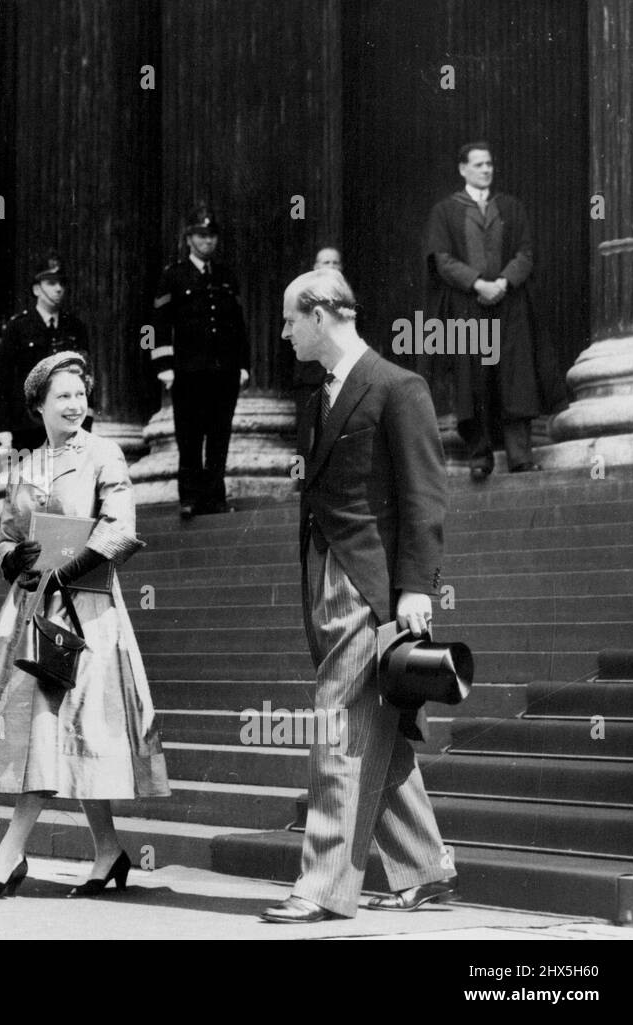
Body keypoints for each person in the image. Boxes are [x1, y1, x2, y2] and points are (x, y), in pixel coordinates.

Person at [0, 352, 168, 897]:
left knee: (56, 724)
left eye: (80, 394)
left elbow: (120, 525)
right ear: (39, 404)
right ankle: (108, 853)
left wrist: (69, 566)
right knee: (60, 727)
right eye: (62, 396)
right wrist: (12, 560)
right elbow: (8, 536)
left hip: (87, 611)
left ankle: (10, 855)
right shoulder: (27, 466)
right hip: (34, 610)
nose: (75, 404)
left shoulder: (105, 452)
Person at [262, 269, 455, 924]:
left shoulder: (399, 387)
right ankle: (426, 871)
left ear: (322, 315)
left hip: (368, 586)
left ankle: (322, 886)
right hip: (325, 579)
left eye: (291, 319)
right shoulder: (319, 396)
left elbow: (424, 498)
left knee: (337, 720)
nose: (285, 332)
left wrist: (415, 591)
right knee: (378, 724)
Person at [423, 142, 553, 481]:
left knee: (516, 380)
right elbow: (442, 260)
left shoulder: (510, 207)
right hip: (468, 306)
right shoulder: (445, 211)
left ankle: (520, 457)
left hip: (509, 305)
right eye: (479, 165)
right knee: (473, 382)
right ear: (463, 169)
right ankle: (479, 457)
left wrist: (504, 284)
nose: (486, 170)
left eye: (490, 164)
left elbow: (525, 253)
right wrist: (478, 284)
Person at [152, 205, 250, 518]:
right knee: (190, 435)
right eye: (201, 235)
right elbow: (160, 323)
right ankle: (190, 498)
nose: (208, 241)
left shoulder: (226, 276)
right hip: (188, 372)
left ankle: (215, 498)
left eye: (212, 236)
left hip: (224, 370)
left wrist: (244, 364)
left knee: (220, 434)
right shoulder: (174, 276)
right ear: (189, 239)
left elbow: (238, 323)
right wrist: (164, 366)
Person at [0, 253, 91, 453]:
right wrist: (2, 429)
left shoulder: (76, 328)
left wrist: (87, 424)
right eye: (51, 283)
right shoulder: (18, 328)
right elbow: (1, 380)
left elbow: (86, 379)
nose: (59, 289)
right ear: (36, 289)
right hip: (28, 428)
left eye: (61, 283)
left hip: (68, 426)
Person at [291, 247, 343, 429]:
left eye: (335, 263)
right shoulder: (301, 299)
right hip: (309, 380)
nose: (331, 267)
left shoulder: (350, 301)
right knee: (307, 437)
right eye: (326, 262)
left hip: (339, 379)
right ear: (315, 267)